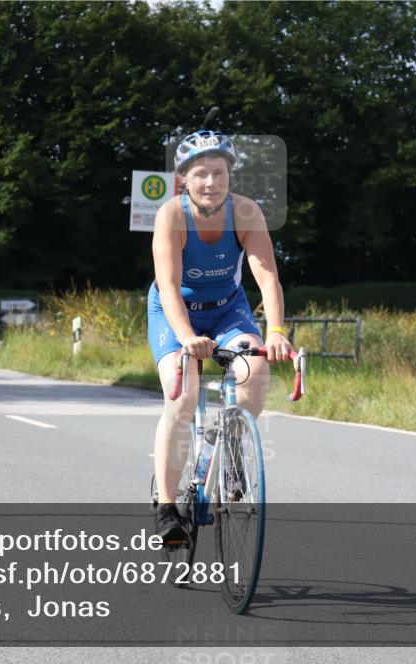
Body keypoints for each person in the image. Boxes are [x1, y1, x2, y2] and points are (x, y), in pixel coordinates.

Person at [148, 129, 293, 540]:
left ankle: (230, 450)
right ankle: (167, 506)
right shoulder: (171, 216)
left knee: (255, 371)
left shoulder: (246, 212)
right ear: (184, 181)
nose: (210, 182)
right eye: (200, 175)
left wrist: (277, 332)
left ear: (230, 177)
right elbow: (169, 285)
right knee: (183, 393)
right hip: (174, 312)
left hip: (228, 310)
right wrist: (187, 338)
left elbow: (267, 278)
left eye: (219, 173)